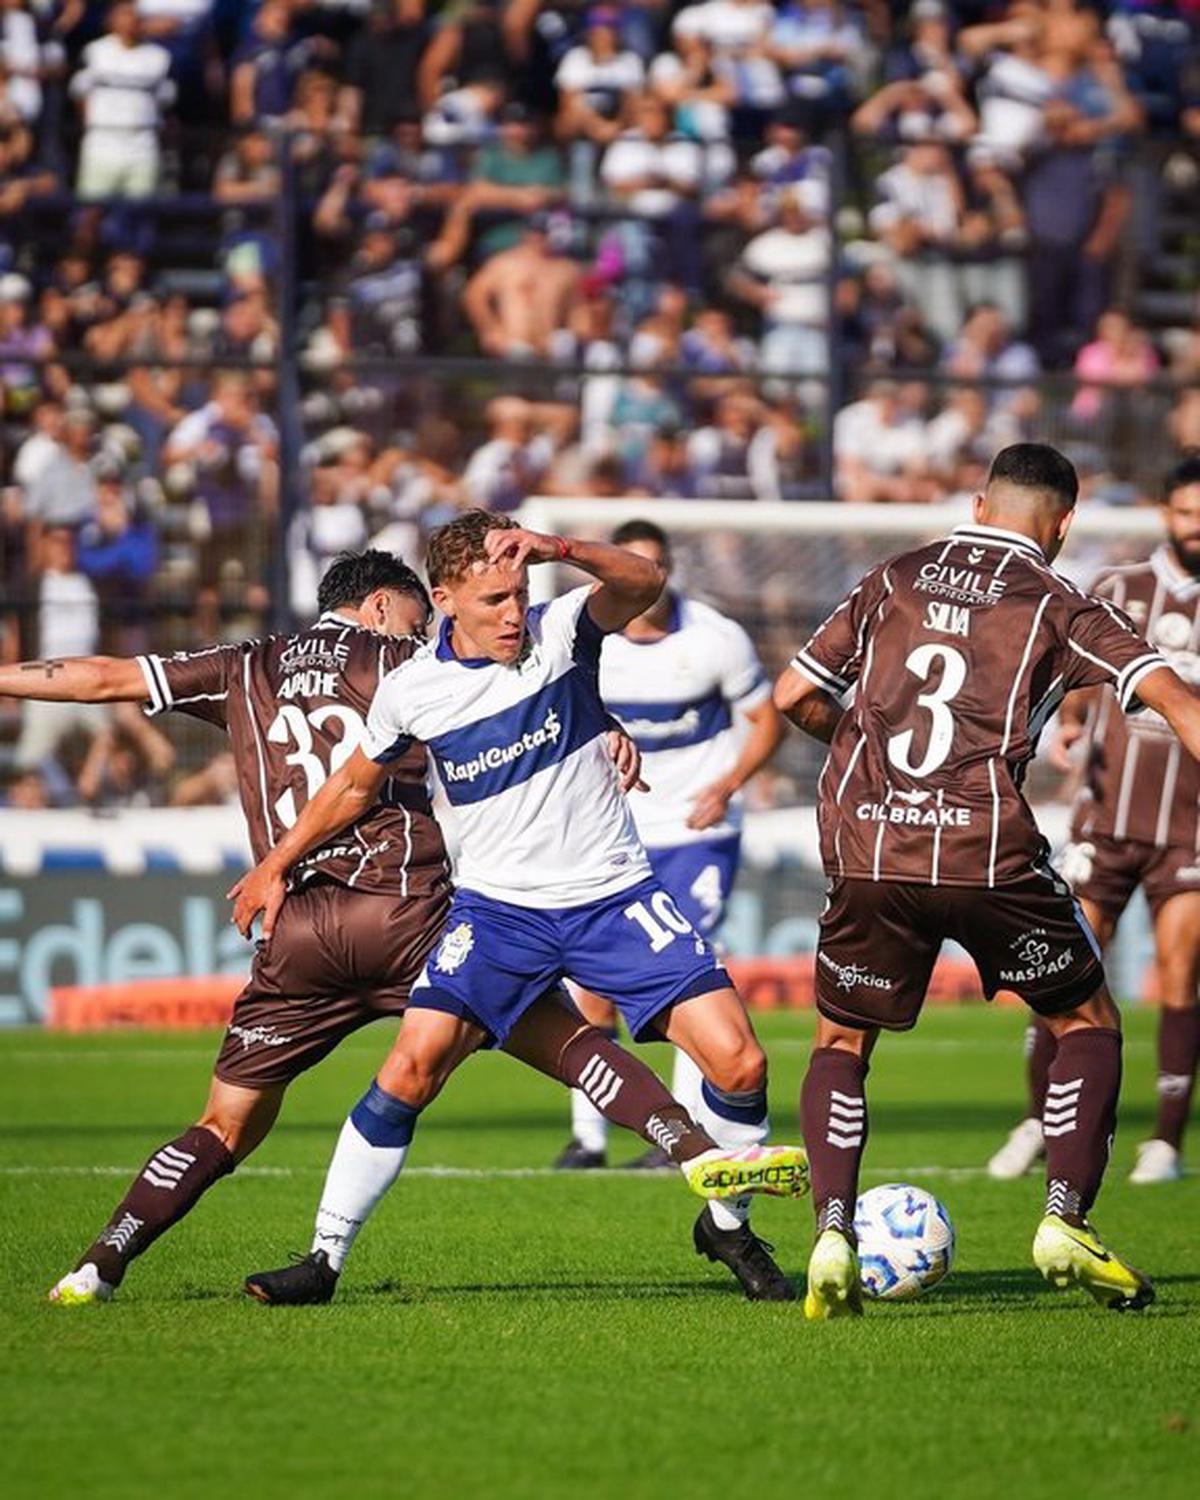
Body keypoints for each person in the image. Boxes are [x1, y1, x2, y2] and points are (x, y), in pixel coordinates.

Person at [4, 551, 765, 1305]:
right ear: (378, 606)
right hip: (407, 913)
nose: (426, 628)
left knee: (225, 1125)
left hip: (298, 932)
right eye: (417, 614)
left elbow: (99, 678)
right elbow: (518, 696)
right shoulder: (406, 664)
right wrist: (603, 726)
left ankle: (98, 1266)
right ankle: (693, 1152)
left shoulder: (245, 667)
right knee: (566, 1042)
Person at [233, 513, 810, 1303]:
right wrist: (274, 864)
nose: (513, 614)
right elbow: (352, 788)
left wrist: (559, 549)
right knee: (409, 1068)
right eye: (494, 600)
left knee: (742, 1062)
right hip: (498, 916)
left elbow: (645, 580)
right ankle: (322, 1260)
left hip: (615, 898)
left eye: (519, 592)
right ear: (443, 600)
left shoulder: (563, 630)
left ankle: (728, 1227)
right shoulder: (413, 690)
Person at [774, 442, 1200, 1319]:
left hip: (870, 845)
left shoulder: (895, 577)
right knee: (1087, 1022)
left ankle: (831, 1231)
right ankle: (1064, 1218)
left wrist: (868, 754)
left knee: (841, 1043)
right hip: (984, 851)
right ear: (1065, 522)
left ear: (978, 504)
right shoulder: (1061, 602)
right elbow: (1180, 705)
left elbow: (792, 694)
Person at [988, 455, 1200, 1187]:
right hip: (1104, 819)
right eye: (1186, 514)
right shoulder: (1116, 588)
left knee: (1180, 974)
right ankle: (1036, 1121)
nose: (1196, 528)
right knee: (1064, 971)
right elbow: (1073, 672)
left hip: (1189, 827)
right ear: (1165, 513)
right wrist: (1073, 722)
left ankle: (1165, 1141)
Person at [553, 518, 785, 1171]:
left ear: (668, 570)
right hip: (610, 833)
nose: (643, 581)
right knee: (590, 984)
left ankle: (686, 1135)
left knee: (687, 977)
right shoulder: (584, 638)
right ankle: (589, 1139)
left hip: (695, 832)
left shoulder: (715, 638)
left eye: (653, 566)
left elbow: (768, 720)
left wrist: (728, 785)